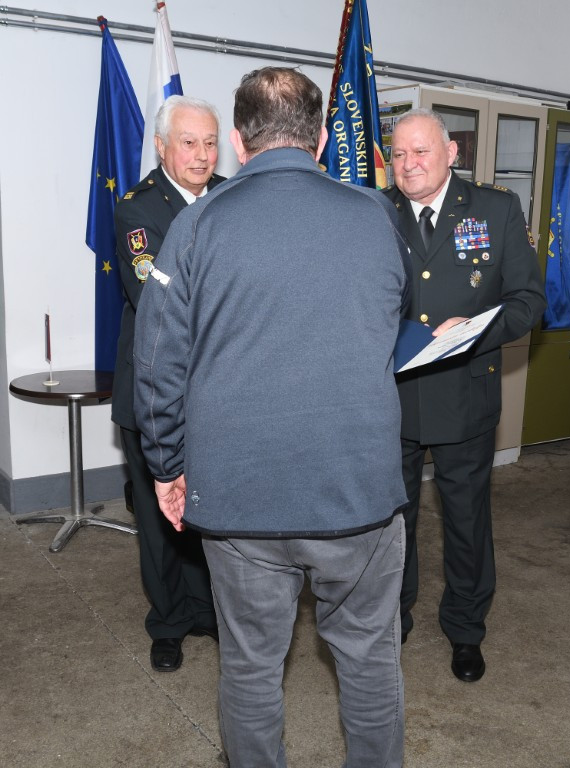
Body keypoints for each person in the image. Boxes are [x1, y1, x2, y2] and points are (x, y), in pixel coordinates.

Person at [135, 67, 410, 767]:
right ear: (319, 140)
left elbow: (158, 359)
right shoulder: (377, 214)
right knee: (369, 660)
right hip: (359, 491)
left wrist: (167, 465)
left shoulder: (197, 225)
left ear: (237, 141)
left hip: (241, 494)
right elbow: (394, 315)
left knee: (251, 666)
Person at [384, 108, 545, 683]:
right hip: (392, 396)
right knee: (391, 520)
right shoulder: (374, 211)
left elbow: (528, 301)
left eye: (421, 151)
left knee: (466, 519)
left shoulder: (495, 209)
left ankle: (466, 627)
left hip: (465, 394)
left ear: (452, 153)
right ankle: (392, 617)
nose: (409, 164)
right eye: (398, 154)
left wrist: (478, 329)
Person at [112, 95, 224, 672]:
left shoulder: (233, 196)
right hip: (155, 393)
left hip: (217, 394)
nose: (202, 155)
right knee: (160, 519)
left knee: (209, 510)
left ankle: (207, 611)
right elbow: (157, 300)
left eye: (210, 143)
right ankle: (168, 622)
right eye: (189, 142)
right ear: (161, 147)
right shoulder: (138, 209)